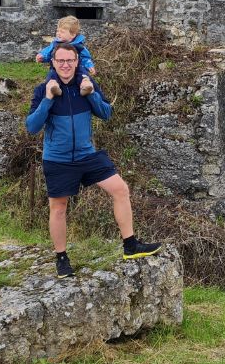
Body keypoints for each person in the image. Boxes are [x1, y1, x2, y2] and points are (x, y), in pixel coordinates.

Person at [25, 41, 160, 275]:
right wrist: (48, 98)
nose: (65, 65)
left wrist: (91, 94)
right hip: (57, 158)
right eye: (60, 61)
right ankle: (61, 258)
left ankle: (130, 245)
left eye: (70, 60)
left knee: (120, 189)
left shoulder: (86, 83)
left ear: (77, 61)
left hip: (87, 154)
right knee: (58, 207)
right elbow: (32, 127)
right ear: (53, 62)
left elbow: (106, 113)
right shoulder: (42, 89)